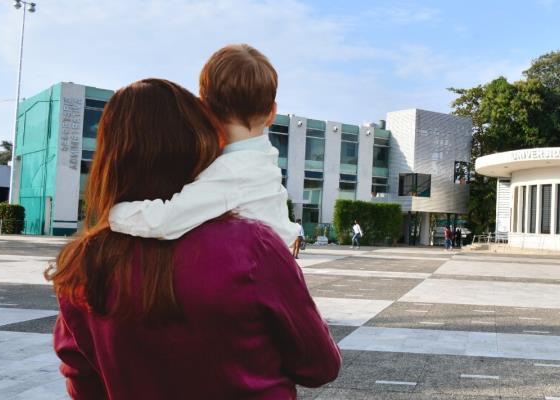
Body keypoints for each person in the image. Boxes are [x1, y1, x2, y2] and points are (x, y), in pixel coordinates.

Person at [47, 79, 340, 399]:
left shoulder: (82, 264)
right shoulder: (253, 246)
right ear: (197, 145)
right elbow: (319, 366)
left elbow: (82, 381)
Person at [108, 44, 296, 246]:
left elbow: (165, 221)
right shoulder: (264, 160)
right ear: (272, 113)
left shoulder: (230, 172)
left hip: (254, 273)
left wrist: (116, 213)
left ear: (205, 109)